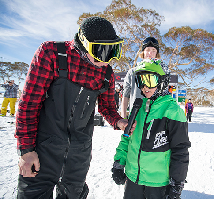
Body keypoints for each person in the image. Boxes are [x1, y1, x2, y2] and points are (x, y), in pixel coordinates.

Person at [15, 16, 134, 199]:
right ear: (84, 44)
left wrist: (118, 121)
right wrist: (26, 150)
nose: (107, 60)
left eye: (113, 51)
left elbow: (107, 107)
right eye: (101, 51)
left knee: (73, 194)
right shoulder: (52, 53)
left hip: (79, 151)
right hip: (43, 148)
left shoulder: (106, 73)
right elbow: (29, 104)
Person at [112, 59, 191, 199]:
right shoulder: (138, 107)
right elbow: (126, 138)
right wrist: (119, 162)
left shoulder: (173, 111)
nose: (144, 86)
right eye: (140, 80)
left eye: (150, 80)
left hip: (157, 183)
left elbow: (180, 150)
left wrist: (177, 183)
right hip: (132, 178)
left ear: (163, 81)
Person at [120, 37, 169, 118]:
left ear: (157, 54)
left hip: (154, 117)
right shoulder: (132, 72)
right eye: (147, 50)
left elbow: (165, 97)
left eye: (153, 50)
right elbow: (125, 96)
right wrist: (123, 117)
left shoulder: (162, 73)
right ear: (143, 52)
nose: (150, 53)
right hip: (135, 117)